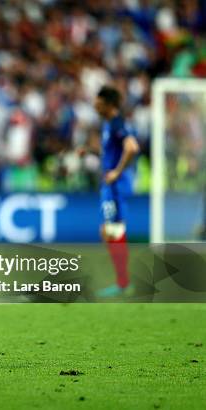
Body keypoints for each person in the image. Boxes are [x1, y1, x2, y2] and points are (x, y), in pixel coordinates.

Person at [92, 86, 140, 297]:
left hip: (114, 187)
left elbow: (132, 147)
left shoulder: (118, 123)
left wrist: (117, 172)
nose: (95, 106)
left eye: (99, 103)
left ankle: (123, 282)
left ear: (109, 105)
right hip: (111, 186)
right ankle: (122, 280)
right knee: (109, 231)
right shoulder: (108, 124)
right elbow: (114, 151)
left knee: (113, 230)